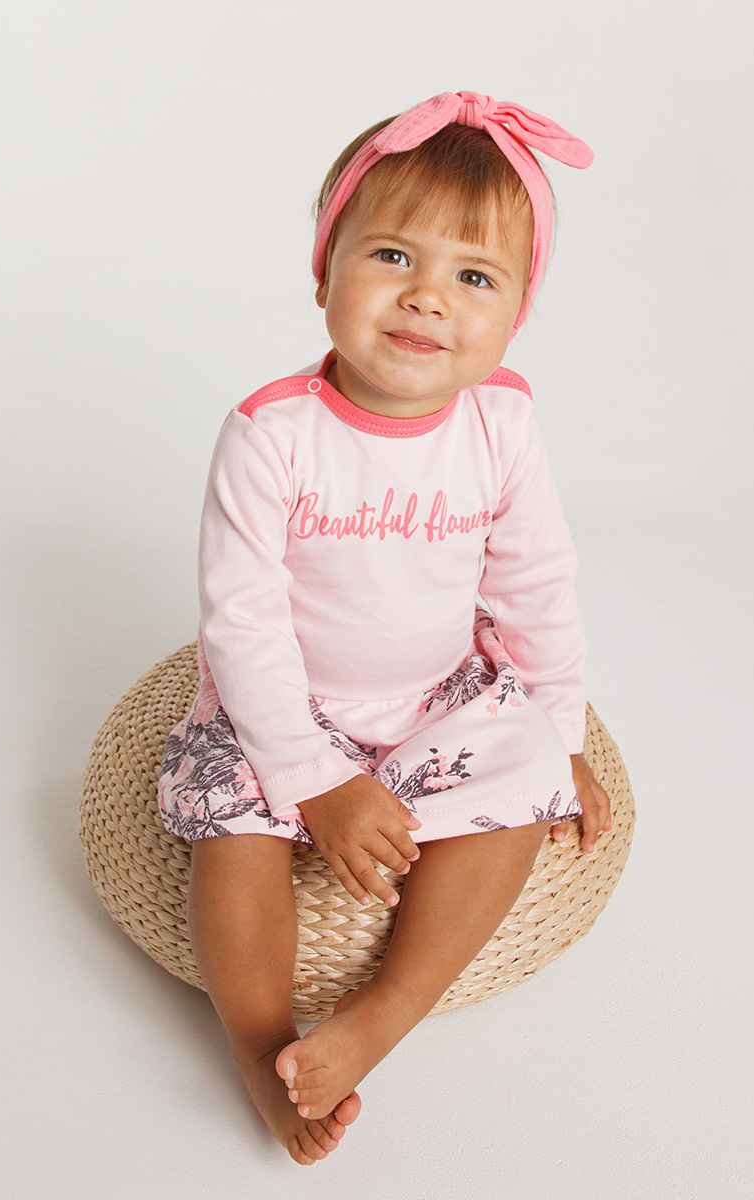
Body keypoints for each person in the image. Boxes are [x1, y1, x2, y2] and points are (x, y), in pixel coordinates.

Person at [158, 90, 612, 1165]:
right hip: (286, 700)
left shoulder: (502, 422)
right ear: (325, 272)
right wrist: (309, 777)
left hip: (434, 692)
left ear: (516, 312)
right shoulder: (270, 436)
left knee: (518, 794)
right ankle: (260, 1049)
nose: (427, 298)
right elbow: (243, 620)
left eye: (474, 277)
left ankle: (385, 1014)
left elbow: (535, 585)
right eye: (392, 257)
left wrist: (561, 733)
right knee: (232, 842)